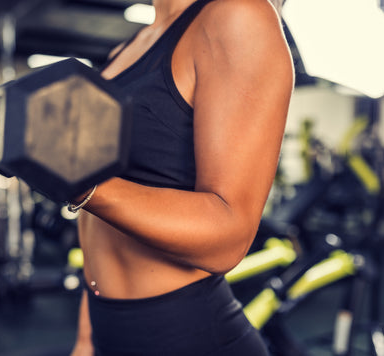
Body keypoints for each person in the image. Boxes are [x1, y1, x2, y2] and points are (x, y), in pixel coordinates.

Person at [69, 0, 294, 355]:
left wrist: (83, 186)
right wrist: (86, 337)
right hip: (106, 327)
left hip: (188, 336)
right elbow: (97, 224)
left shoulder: (238, 15)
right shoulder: (128, 47)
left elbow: (229, 234)